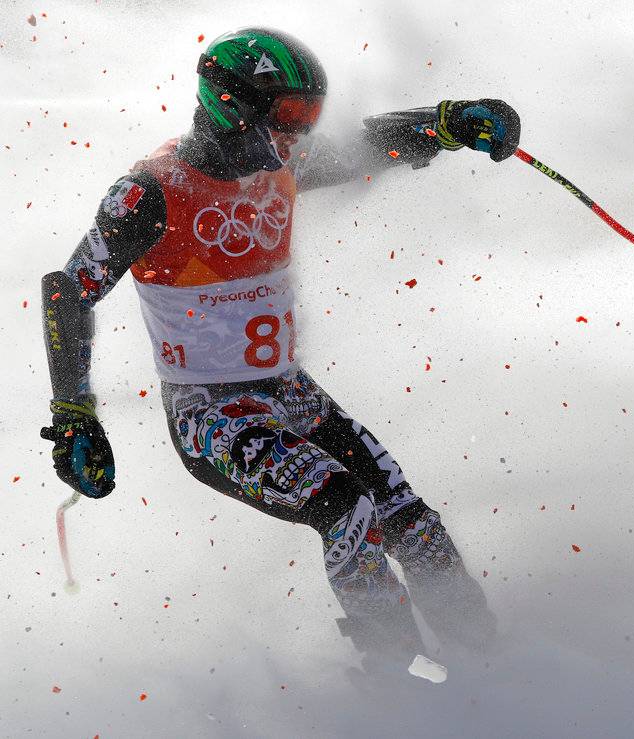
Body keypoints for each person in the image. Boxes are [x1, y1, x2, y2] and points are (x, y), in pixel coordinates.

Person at [39, 27, 520, 675]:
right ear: (230, 103)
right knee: (343, 503)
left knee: (400, 503)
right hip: (210, 413)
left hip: (286, 389)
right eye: (292, 116)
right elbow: (70, 290)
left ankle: (488, 649)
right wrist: (75, 411)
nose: (301, 133)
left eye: (311, 117)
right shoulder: (150, 192)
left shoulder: (279, 162)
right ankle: (395, 676)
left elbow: (367, 146)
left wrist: (448, 124)